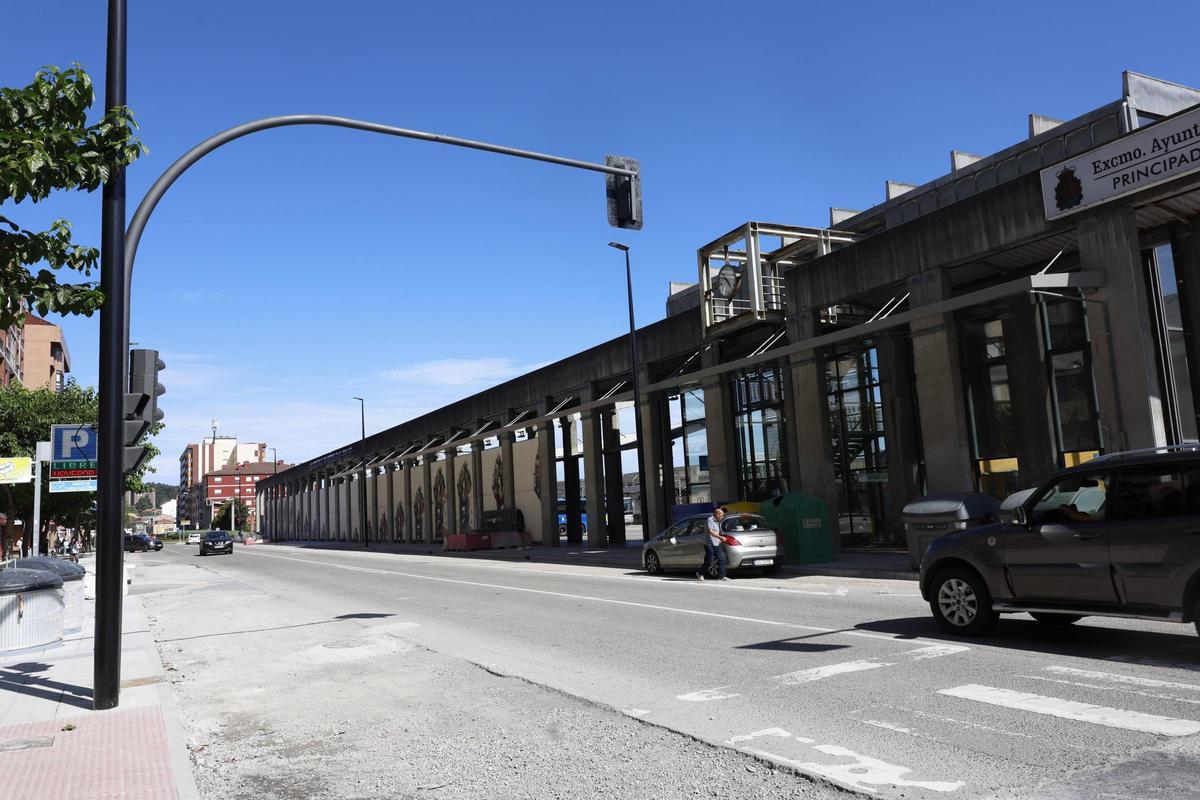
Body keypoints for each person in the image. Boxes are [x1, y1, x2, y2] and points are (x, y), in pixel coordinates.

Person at [697, 507, 729, 581]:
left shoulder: (717, 521)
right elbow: (710, 532)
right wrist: (720, 537)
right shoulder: (710, 520)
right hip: (709, 543)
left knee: (721, 558)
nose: (722, 517)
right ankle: (700, 573)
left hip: (716, 543)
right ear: (717, 514)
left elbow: (717, 531)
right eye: (721, 515)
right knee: (709, 559)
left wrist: (720, 536)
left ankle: (722, 575)